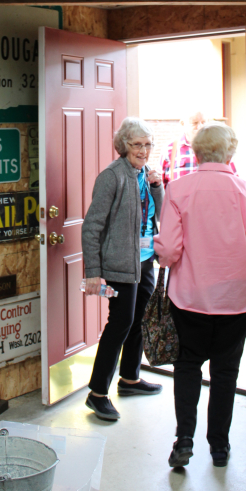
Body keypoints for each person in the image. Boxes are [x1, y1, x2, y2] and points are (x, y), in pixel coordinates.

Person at [154, 123, 246, 468]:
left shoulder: (178, 190)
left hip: (189, 297)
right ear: (230, 153)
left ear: (195, 153)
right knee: (225, 372)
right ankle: (220, 447)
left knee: (187, 366)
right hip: (236, 300)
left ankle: (184, 439)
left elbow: (168, 250)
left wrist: (162, 256)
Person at [81, 117, 164, 421]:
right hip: (119, 265)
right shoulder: (112, 176)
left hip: (145, 259)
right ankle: (97, 393)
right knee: (120, 323)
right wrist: (93, 270)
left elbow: (157, 214)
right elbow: (92, 227)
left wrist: (157, 187)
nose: (144, 150)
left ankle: (130, 378)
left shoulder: (144, 174)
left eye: (147, 144)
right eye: (137, 144)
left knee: (139, 320)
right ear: (123, 145)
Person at [160, 111, 206, 187]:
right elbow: (160, 185)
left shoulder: (218, 149)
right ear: (182, 124)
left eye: (203, 122)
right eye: (195, 123)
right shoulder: (169, 149)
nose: (200, 127)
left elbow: (231, 181)